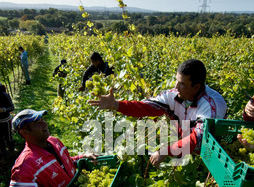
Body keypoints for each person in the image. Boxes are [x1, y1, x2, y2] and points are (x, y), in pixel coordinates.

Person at [89, 59, 228, 168]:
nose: (176, 87)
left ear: (196, 87)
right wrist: (117, 105)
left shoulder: (210, 105)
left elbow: (199, 139)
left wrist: (166, 151)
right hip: (187, 146)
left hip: (213, 153)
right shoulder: (174, 95)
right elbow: (146, 107)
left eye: (182, 84)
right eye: (176, 81)